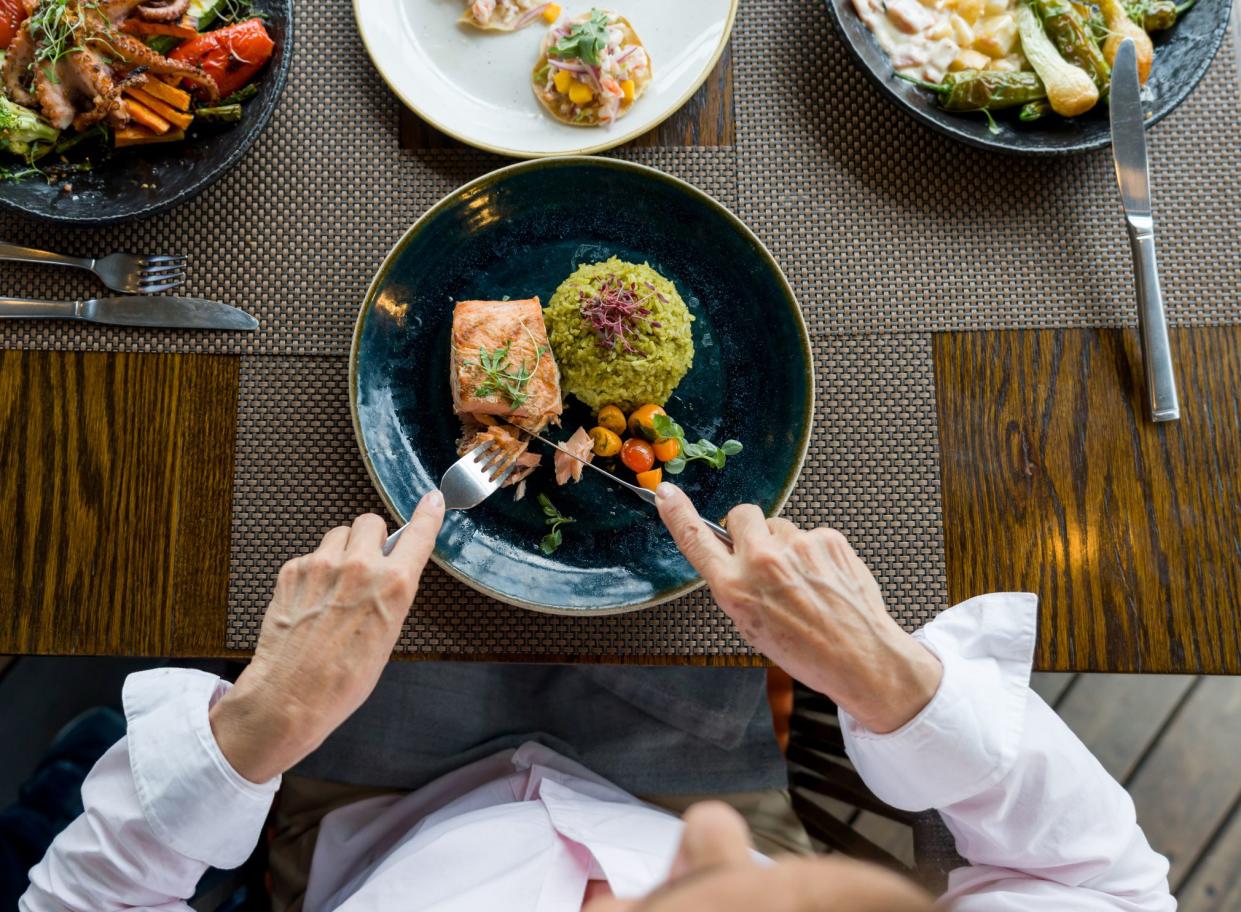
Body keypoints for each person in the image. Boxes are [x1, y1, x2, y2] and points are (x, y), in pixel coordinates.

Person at [20, 484, 1175, 911]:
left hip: (354, 809)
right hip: (666, 768)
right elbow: (1106, 888)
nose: (719, 840)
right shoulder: (710, 818)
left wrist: (254, 730)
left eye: (702, 880)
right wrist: (900, 683)